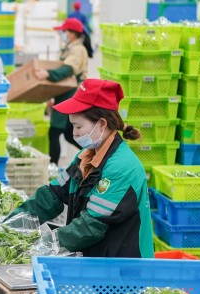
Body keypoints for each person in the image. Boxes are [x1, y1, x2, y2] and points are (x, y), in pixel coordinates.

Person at [13, 79, 153, 258]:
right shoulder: (86, 157)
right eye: (72, 125)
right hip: (96, 260)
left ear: (102, 124)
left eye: (78, 126)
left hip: (122, 269)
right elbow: (53, 195)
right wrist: (13, 224)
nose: (74, 133)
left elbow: (90, 227)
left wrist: (44, 244)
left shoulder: (121, 168)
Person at [40, 18, 91, 165]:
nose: (63, 34)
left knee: (55, 131)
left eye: (65, 31)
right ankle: (94, 157)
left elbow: (68, 70)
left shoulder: (78, 50)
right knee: (69, 134)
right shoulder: (68, 48)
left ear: (73, 33)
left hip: (73, 94)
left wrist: (48, 74)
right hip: (64, 93)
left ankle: (53, 167)